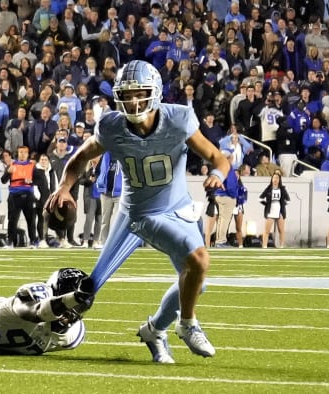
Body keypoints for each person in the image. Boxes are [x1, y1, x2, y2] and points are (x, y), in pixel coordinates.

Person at [46, 60, 231, 363]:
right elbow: (79, 158)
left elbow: (217, 157)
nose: (133, 101)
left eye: (140, 93)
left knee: (196, 280)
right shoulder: (111, 125)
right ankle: (187, 325)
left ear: (155, 92)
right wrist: (64, 186)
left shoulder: (179, 119)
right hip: (141, 213)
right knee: (199, 260)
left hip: (179, 207)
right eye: (127, 95)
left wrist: (219, 176)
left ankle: (155, 330)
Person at [259, 172, 289, 248]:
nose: (275, 179)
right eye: (274, 178)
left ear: (279, 180)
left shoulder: (282, 189)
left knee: (281, 230)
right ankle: (264, 245)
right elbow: (260, 198)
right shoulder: (268, 189)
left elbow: (288, 200)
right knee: (267, 230)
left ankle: (281, 246)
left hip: (280, 211)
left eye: (277, 178)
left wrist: (282, 204)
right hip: (270, 211)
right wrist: (266, 204)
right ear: (272, 179)